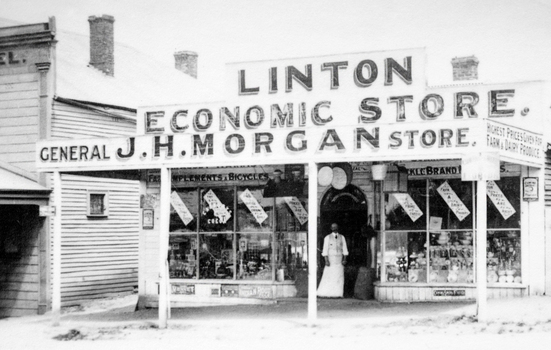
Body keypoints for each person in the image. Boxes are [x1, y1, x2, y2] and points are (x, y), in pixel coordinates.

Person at [317, 223, 349, 298]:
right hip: (331, 260)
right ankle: (326, 293)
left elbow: (345, 249)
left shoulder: (342, 237)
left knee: (339, 276)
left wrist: (344, 259)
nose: (334, 228)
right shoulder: (327, 237)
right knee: (329, 276)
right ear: (331, 228)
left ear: (338, 228)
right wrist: (326, 260)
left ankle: (338, 294)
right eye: (333, 227)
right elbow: (325, 250)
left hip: (339, 259)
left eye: (336, 227)